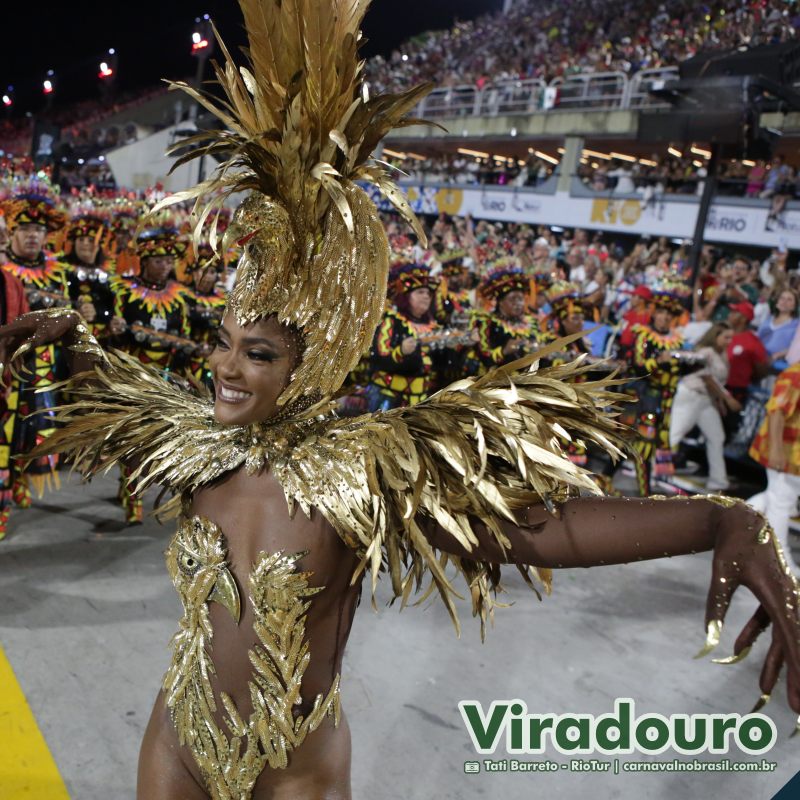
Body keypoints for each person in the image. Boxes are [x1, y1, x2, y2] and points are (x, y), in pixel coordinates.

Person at [0, 4, 797, 799]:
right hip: (174, 746)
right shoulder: (195, 440)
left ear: (313, 370)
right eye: (224, 341)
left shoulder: (369, 472)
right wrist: (73, 337)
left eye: (259, 353)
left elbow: (544, 532)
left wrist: (717, 519)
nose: (226, 368)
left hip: (295, 774)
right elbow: (119, 387)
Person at [0, 191, 71, 507]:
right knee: (6, 428)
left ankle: (20, 482)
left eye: (39, 230)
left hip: (44, 365)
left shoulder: (58, 271)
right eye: (26, 229)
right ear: (12, 233)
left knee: (34, 426)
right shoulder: (5, 272)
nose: (33, 236)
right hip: (9, 363)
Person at [628, 280, 688, 496]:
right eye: (661, 312)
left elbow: (681, 367)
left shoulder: (676, 341)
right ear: (654, 313)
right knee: (643, 445)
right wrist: (658, 362)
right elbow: (638, 364)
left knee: (651, 445)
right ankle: (645, 494)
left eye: (669, 315)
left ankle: (613, 477)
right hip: (646, 397)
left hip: (667, 400)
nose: (664, 318)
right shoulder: (644, 335)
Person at [669, 323, 740, 492]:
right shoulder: (705, 352)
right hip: (691, 396)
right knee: (674, 434)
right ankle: (649, 468)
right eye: (725, 337)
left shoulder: (722, 354)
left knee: (716, 437)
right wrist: (727, 399)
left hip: (706, 401)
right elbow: (707, 379)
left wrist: (719, 402)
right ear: (715, 336)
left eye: (731, 338)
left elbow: (718, 382)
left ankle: (718, 481)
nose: (729, 341)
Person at [367, 262, 442, 410]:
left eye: (428, 293)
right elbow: (378, 357)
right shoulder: (391, 321)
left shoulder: (435, 327)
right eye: (420, 292)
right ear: (406, 297)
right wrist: (401, 351)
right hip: (388, 398)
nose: (426, 297)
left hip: (422, 400)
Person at [748, 360, 800, 568]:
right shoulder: (794, 375)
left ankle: (728, 523)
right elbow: (777, 411)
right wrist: (777, 450)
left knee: (775, 498)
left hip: (794, 452)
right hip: (785, 450)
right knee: (781, 502)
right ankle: (779, 559)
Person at [474, 264, 541, 369]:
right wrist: (504, 351)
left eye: (520, 299)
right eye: (512, 299)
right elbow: (483, 357)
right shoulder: (487, 323)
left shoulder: (531, 322)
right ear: (500, 302)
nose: (518, 303)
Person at [757, 288, 799, 368]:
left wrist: (777, 355)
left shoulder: (797, 324)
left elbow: (797, 348)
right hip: (759, 358)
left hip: (778, 363)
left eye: (789, 300)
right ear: (777, 302)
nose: (784, 301)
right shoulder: (768, 319)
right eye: (782, 298)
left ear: (794, 306)